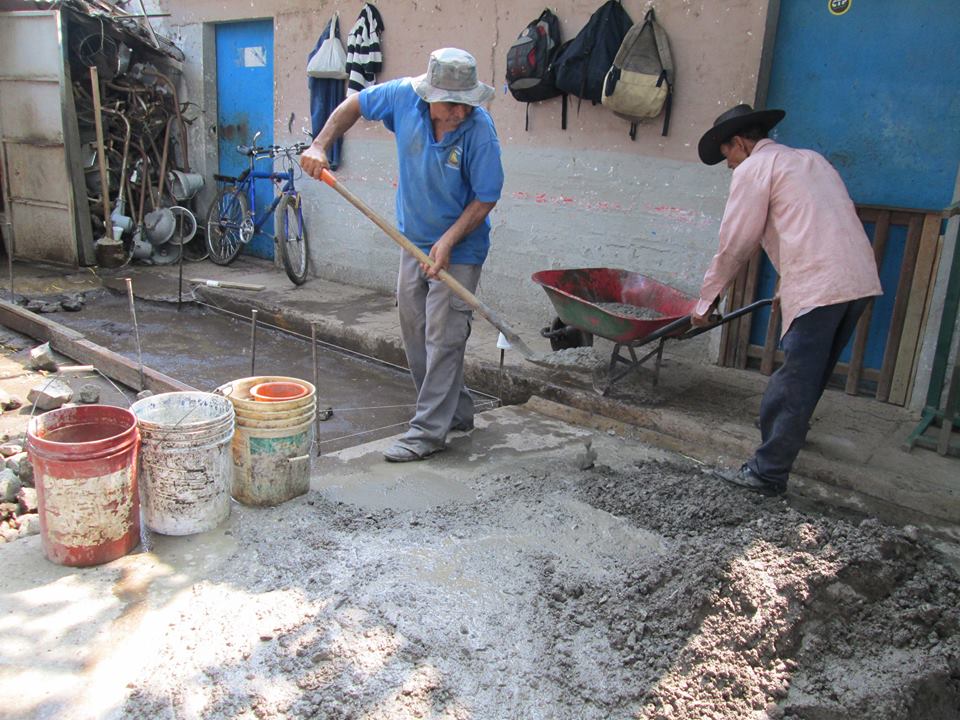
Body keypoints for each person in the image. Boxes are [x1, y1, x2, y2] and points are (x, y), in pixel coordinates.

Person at [300, 47, 504, 462]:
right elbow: (353, 103)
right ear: (429, 97)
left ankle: (428, 432)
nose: (460, 113)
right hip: (412, 241)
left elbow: (486, 197)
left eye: (467, 105)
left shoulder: (479, 131)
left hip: (460, 248)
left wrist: (447, 243)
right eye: (452, 105)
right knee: (415, 334)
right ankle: (457, 412)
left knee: (443, 337)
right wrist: (320, 144)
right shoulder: (402, 98)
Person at [692, 104, 882, 495]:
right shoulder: (811, 160)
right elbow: (813, 225)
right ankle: (788, 437)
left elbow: (735, 245)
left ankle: (767, 473)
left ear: (740, 143)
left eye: (727, 154)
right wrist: (787, 287)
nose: (728, 165)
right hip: (858, 279)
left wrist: (705, 303)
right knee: (812, 374)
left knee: (793, 382)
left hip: (820, 284)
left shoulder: (754, 169)